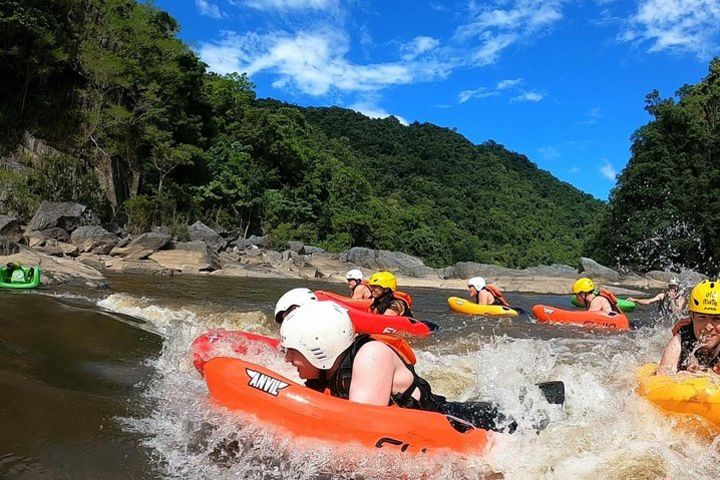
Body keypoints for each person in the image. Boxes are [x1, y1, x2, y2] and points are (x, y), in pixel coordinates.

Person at [281, 302, 565, 433]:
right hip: (444, 416)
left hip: (463, 421)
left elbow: (362, 430)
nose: (287, 360)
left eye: (292, 351)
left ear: (319, 348)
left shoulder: (370, 355)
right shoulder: (330, 370)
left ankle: (548, 400)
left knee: (528, 418)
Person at [658, 279, 720, 375]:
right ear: (692, 317)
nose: (708, 327)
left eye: (717, 319)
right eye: (702, 317)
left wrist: (708, 374)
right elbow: (661, 377)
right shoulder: (681, 340)